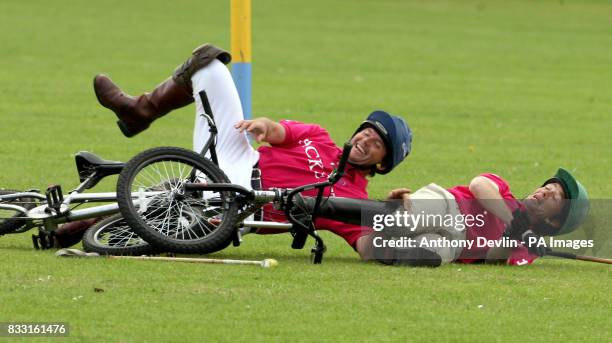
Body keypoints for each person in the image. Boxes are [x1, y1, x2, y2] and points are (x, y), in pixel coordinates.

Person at [53, 43, 413, 250]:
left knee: (170, 212)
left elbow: (366, 246)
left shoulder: (355, 200)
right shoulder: (318, 137)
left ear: (382, 164)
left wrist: (395, 224)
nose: (366, 138)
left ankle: (75, 228)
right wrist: (262, 125)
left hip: (244, 208)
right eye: (367, 130)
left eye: (377, 143)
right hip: (237, 158)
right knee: (208, 61)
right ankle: (139, 111)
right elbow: (276, 130)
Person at [310, 168, 589, 266]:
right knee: (405, 220)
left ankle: (383, 237)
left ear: (554, 222)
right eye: (546, 187)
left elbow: (492, 257)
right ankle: (313, 206)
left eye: (553, 197)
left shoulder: (527, 250)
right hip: (448, 206)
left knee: (429, 255)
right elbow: (479, 184)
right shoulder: (503, 190)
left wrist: (514, 236)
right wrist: (514, 221)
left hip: (456, 247)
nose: (543, 192)